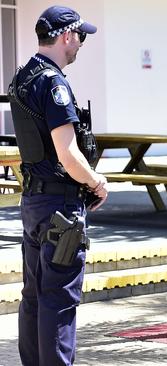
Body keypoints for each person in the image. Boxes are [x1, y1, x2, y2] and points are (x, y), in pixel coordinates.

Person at [6, 6, 108, 365]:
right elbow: (68, 153)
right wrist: (97, 182)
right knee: (58, 300)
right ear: (66, 35)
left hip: (34, 202)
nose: (81, 44)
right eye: (80, 36)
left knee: (34, 296)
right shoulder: (52, 82)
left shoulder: (22, 76)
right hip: (60, 209)